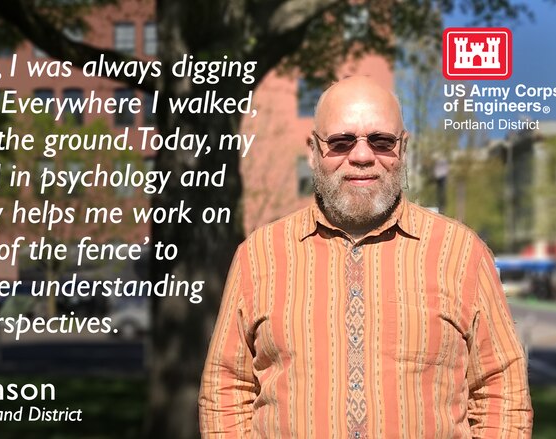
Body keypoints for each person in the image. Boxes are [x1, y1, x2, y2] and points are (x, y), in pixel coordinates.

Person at [198, 76, 532, 438]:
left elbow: (501, 388)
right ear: (312, 151)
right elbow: (226, 387)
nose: (361, 155)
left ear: (403, 150)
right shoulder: (257, 257)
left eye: (381, 141)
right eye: (340, 142)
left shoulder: (462, 254)